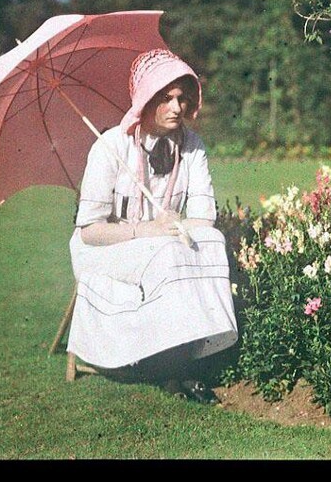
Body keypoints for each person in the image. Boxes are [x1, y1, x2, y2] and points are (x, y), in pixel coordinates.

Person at [66, 48, 237, 402]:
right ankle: (173, 370)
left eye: (182, 98)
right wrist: (147, 231)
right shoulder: (110, 147)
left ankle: (191, 352)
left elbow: (205, 218)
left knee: (213, 241)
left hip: (161, 244)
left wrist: (173, 224)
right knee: (168, 252)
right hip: (104, 249)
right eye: (165, 98)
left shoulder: (192, 147)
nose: (177, 107)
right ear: (145, 100)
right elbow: (90, 231)